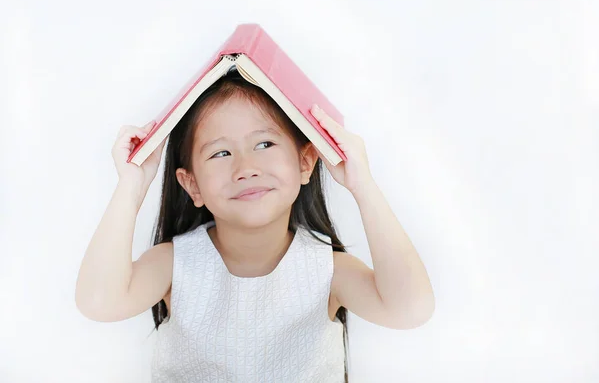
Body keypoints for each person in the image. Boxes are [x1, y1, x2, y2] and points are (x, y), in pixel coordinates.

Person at [75, 69, 435, 383]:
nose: (245, 167)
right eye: (221, 152)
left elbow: (410, 309)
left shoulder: (325, 269)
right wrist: (131, 186)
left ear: (306, 162)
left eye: (264, 143)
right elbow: (99, 302)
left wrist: (363, 186)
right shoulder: (176, 264)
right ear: (192, 185)